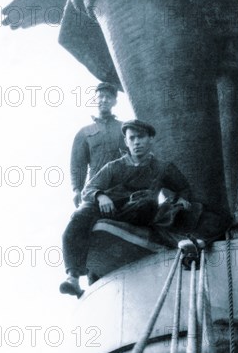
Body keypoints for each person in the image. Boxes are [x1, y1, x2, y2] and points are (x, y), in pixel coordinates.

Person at [60, 119, 192, 297]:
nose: (136, 142)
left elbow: (183, 188)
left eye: (141, 137)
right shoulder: (114, 167)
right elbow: (89, 189)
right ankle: (73, 278)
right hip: (113, 210)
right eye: (132, 138)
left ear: (150, 139)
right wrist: (101, 195)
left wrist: (180, 199)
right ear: (126, 142)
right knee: (79, 216)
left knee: (146, 202)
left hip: (142, 212)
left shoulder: (162, 167)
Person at [70, 82, 125, 208]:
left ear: (114, 102)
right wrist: (76, 189)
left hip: (122, 188)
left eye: (108, 97)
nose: (104, 100)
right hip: (95, 190)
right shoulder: (84, 132)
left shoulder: (125, 128)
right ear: (95, 99)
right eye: (100, 96)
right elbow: (78, 164)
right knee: (79, 220)